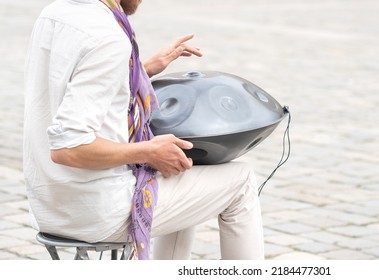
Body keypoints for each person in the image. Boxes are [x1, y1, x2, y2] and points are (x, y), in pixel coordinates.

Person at [23, 0, 264, 260]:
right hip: (96, 210)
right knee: (242, 179)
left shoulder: (53, 13)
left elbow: (76, 86)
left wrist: (143, 69)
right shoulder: (108, 37)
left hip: (50, 205)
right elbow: (69, 148)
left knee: (180, 169)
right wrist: (147, 151)